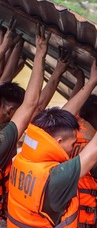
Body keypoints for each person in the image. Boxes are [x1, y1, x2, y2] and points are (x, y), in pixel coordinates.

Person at [7, 55, 97, 228]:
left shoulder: (27, 153)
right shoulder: (55, 178)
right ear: (59, 140)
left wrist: (92, 81)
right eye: (72, 144)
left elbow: (64, 115)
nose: (73, 149)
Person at [0, 25, 50, 223]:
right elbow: (31, 105)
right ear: (10, 112)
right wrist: (40, 54)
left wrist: (5, 48)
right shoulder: (4, 140)